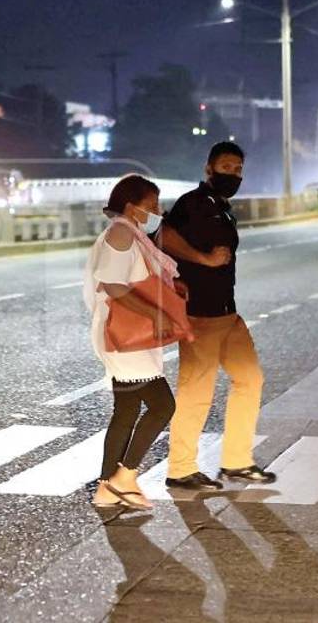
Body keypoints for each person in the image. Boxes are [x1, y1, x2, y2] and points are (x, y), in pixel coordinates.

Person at [156, 141, 275, 490]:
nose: (233, 174)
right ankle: (180, 469)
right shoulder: (192, 204)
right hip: (200, 316)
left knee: (250, 380)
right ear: (209, 168)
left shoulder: (223, 208)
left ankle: (237, 461)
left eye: (238, 170)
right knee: (196, 391)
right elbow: (163, 235)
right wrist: (203, 258)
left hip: (227, 313)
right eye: (226, 167)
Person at [84, 174, 183, 510]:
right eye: (151, 205)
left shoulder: (129, 233)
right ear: (130, 206)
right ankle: (125, 478)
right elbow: (112, 284)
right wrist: (155, 314)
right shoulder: (122, 232)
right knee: (162, 406)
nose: (158, 211)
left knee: (125, 411)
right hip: (124, 336)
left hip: (124, 335)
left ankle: (106, 488)